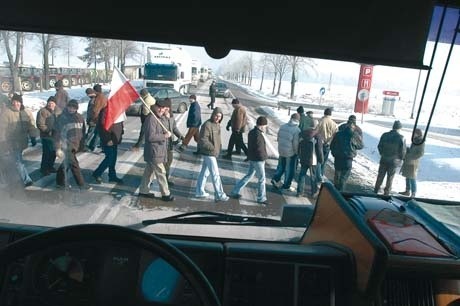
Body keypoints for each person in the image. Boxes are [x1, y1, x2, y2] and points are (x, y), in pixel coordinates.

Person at [138, 99, 174, 201]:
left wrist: (167, 118)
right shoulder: (151, 119)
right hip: (154, 151)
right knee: (161, 172)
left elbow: (168, 127)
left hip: (158, 151)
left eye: (163, 109)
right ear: (156, 107)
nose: (162, 110)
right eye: (161, 108)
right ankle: (166, 194)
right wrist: (164, 136)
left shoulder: (159, 117)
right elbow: (150, 137)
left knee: (149, 172)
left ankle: (143, 191)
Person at [0, 93, 39, 187]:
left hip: (22, 141)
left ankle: (9, 178)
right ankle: (26, 180)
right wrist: (3, 142)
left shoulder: (26, 112)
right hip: (11, 142)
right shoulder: (7, 112)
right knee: (18, 161)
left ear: (21, 103)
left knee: (15, 161)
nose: (16, 104)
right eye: (14, 102)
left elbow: (31, 125)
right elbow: (2, 129)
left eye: (18, 102)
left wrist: (33, 137)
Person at [53, 99, 92, 191]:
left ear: (76, 108)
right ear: (67, 107)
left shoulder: (80, 117)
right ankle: (81, 184)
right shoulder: (62, 118)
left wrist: (82, 145)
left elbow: (82, 131)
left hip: (75, 145)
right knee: (74, 164)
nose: (71, 109)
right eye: (70, 107)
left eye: (73, 108)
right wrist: (58, 148)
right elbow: (57, 134)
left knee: (67, 163)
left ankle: (59, 182)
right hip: (66, 144)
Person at [230, 116, 269, 204]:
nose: (265, 128)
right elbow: (259, 149)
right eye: (265, 126)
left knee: (249, 176)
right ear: (262, 125)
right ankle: (261, 198)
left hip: (252, 157)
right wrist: (264, 158)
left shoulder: (252, 132)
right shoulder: (258, 135)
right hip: (258, 159)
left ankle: (235, 191)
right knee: (262, 179)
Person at [195, 107, 229, 202]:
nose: (218, 118)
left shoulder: (217, 125)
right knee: (215, 174)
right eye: (216, 116)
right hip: (208, 152)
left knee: (204, 173)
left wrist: (219, 147)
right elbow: (203, 140)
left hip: (213, 152)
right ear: (213, 115)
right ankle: (220, 194)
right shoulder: (207, 125)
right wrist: (213, 148)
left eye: (220, 117)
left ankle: (199, 192)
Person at [91, 104, 124, 184]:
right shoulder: (106, 110)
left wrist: (121, 133)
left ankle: (112, 176)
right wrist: (108, 139)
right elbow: (102, 126)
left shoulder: (119, 109)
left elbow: (120, 123)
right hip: (108, 139)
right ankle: (97, 173)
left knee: (113, 159)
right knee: (109, 158)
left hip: (115, 138)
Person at [330, 115, 364, 192]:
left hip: (338, 156)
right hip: (348, 158)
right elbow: (361, 146)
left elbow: (332, 145)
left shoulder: (339, 132)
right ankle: (341, 192)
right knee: (344, 177)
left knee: (337, 174)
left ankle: (335, 191)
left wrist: (334, 152)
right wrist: (354, 146)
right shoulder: (356, 133)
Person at [374, 120, 406, 196]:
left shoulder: (384, 135)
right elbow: (403, 151)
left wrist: (383, 153)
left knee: (380, 175)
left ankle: (376, 189)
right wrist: (401, 158)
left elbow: (379, 146)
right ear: (399, 128)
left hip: (384, 159)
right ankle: (386, 192)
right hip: (394, 161)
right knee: (390, 177)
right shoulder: (401, 138)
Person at [271, 112, 301, 192]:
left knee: (281, 167)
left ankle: (275, 179)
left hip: (281, 150)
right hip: (290, 153)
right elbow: (295, 144)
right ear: (298, 120)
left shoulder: (283, 126)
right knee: (290, 170)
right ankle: (287, 185)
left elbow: (278, 138)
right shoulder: (297, 130)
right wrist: (297, 152)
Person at [297, 120, 324, 197]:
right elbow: (319, 149)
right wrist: (321, 159)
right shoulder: (317, 135)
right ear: (316, 126)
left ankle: (299, 192)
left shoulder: (302, 133)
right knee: (313, 176)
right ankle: (314, 192)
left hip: (303, 158)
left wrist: (299, 154)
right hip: (313, 159)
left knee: (302, 174)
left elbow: (299, 145)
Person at [161, 98, 184, 185]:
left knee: (169, 162)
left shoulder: (171, 116)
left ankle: (166, 180)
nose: (166, 109)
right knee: (160, 164)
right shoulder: (160, 117)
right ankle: (157, 180)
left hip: (170, 144)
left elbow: (174, 128)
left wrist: (180, 136)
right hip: (162, 144)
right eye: (165, 107)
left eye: (168, 107)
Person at [36, 96, 60, 176]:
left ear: (55, 104)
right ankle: (44, 169)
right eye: (49, 103)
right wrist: (48, 131)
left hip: (55, 136)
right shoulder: (43, 111)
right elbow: (40, 124)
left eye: (52, 103)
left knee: (53, 152)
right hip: (46, 136)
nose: (50, 104)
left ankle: (50, 166)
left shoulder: (57, 111)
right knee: (47, 153)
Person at [399, 128, 425, 198]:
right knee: (407, 176)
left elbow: (420, 153)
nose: (413, 134)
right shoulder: (415, 140)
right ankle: (407, 191)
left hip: (413, 162)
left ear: (418, 134)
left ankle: (413, 193)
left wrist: (411, 157)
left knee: (412, 178)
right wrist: (407, 150)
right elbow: (413, 150)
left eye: (414, 133)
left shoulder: (420, 142)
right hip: (408, 161)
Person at [316, 107, 338, 182]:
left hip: (320, 143)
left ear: (324, 113)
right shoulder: (334, 124)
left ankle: (318, 176)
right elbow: (335, 134)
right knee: (324, 161)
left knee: (318, 160)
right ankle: (321, 175)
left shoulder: (321, 121)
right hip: (328, 144)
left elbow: (316, 131)